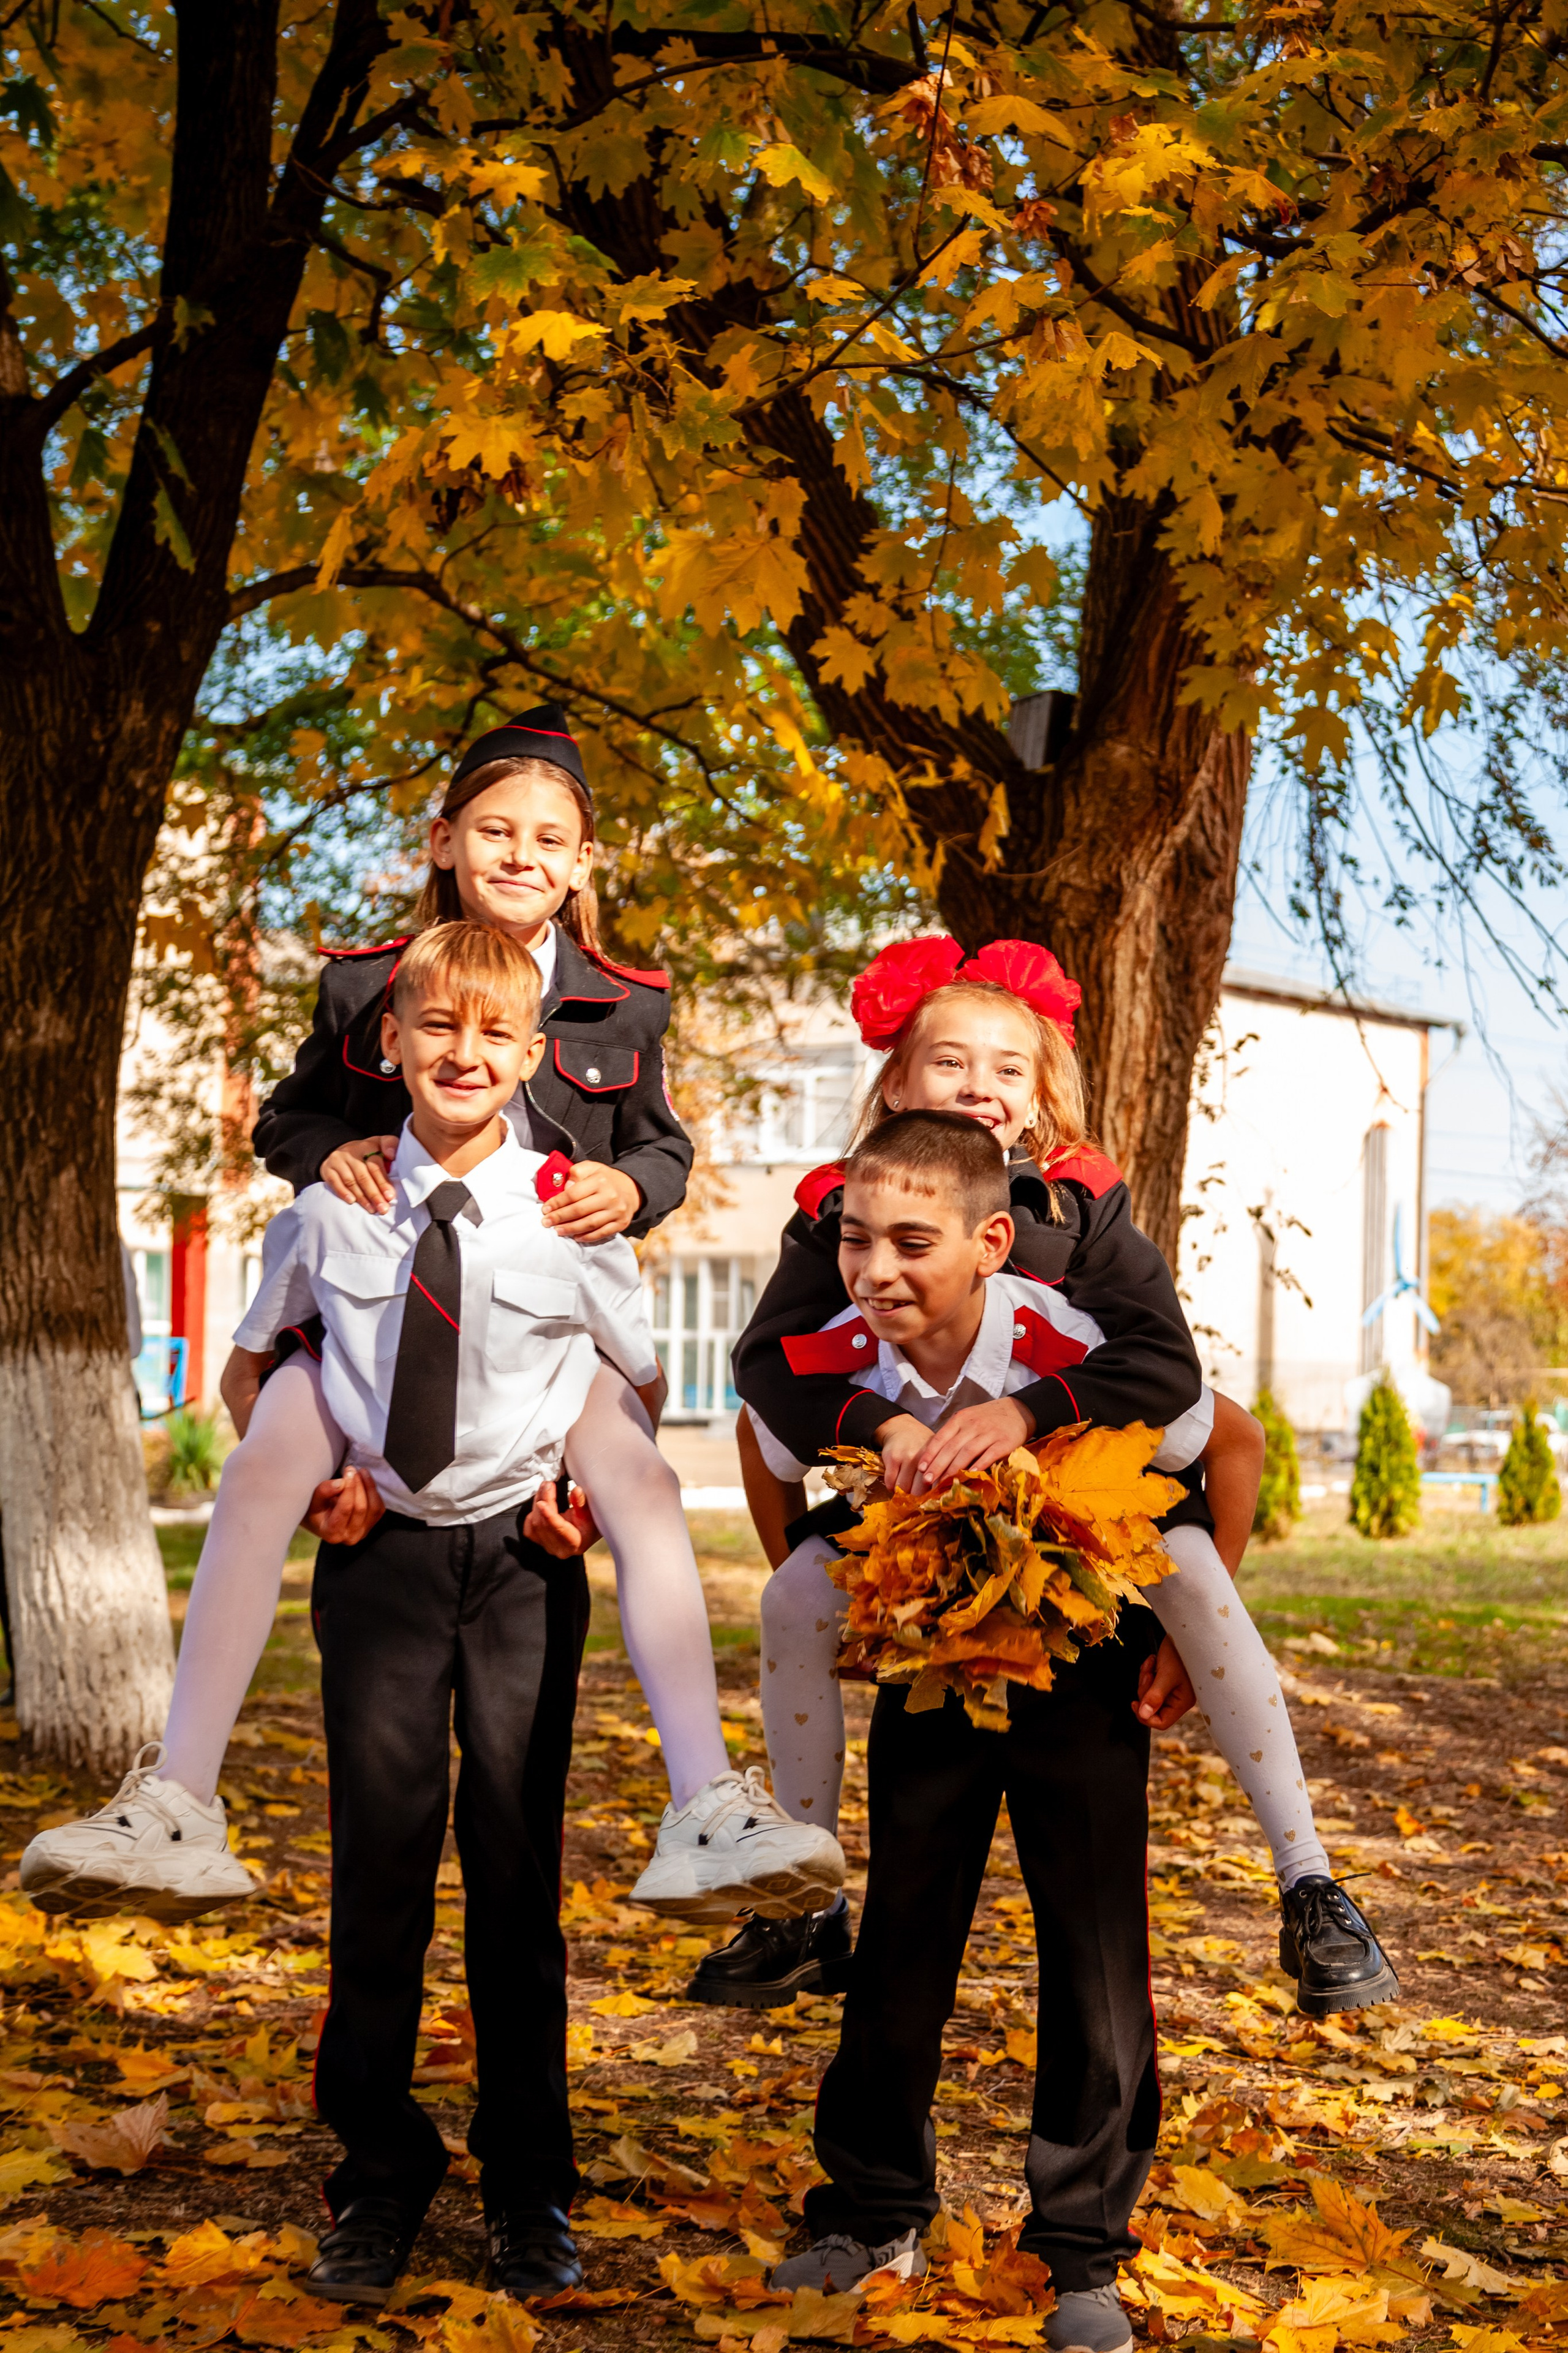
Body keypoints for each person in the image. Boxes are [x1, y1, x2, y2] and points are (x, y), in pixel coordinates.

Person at [24, 711, 837, 1930]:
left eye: (547, 837)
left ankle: (707, 1799)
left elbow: (661, 1145)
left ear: (580, 863)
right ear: (444, 840)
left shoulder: (622, 1004)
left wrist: (636, 1187)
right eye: (494, 829)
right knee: (261, 1463)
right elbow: (288, 1122)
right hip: (370, 1298)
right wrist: (330, 1152)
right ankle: (177, 1795)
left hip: (546, 1307)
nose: (519, 853)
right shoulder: (367, 983)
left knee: (640, 1477)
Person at [703, 938, 1395, 2020]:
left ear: (1038, 1099)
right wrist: (877, 1432)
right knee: (790, 1596)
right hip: (922, 1471)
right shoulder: (840, 1207)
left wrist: (1027, 1410)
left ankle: (1310, 1880)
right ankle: (803, 1898)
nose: (980, 1083)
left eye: (1008, 1068)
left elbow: (1169, 1368)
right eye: (949, 1062)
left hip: (1089, 1473)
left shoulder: (1082, 1205)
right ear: (894, 1080)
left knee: (1202, 1582)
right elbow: (765, 1370)